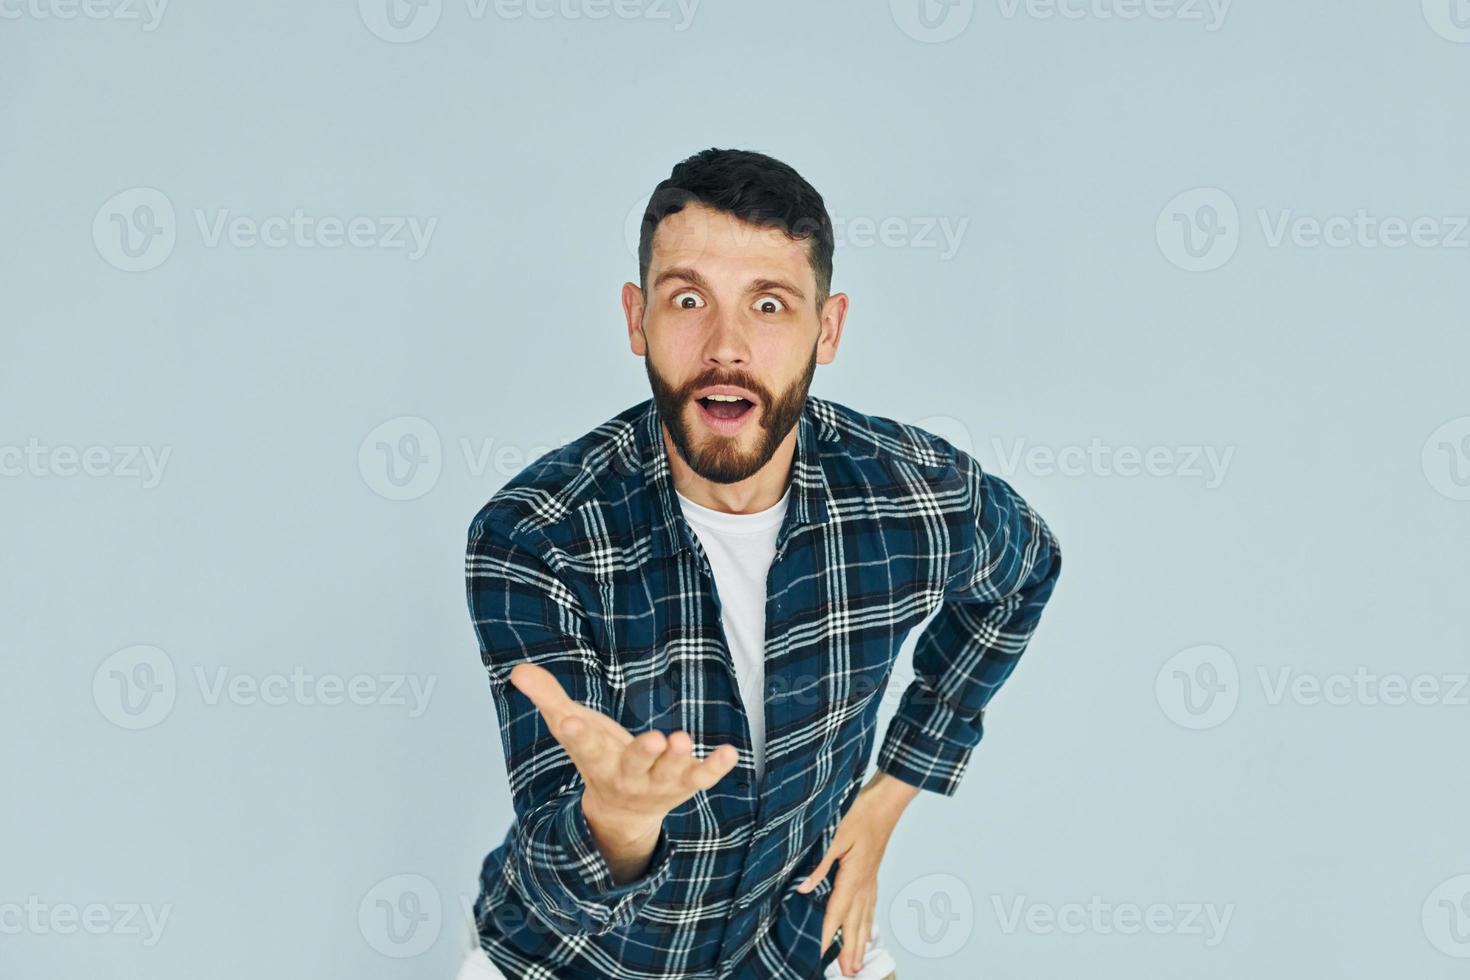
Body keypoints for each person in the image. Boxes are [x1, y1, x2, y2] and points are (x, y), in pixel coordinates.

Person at [460, 148, 1062, 979]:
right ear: (637, 318)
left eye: (770, 304)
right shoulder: (535, 537)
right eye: (688, 298)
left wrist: (888, 799)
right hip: (575, 961)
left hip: (793, 947)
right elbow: (560, 886)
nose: (727, 345)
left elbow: (1026, 571)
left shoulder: (911, 497)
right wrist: (619, 817)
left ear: (829, 327)